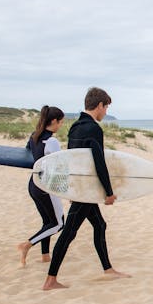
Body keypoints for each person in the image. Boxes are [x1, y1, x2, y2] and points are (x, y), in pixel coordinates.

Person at [42, 87, 131, 290]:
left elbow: (71, 160)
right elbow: (99, 162)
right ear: (99, 105)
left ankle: (108, 270)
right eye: (106, 107)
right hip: (86, 191)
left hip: (80, 188)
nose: (106, 112)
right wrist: (108, 192)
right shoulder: (93, 129)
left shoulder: (75, 127)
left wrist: (71, 188)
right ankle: (50, 279)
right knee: (69, 232)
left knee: (100, 225)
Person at [17, 106, 66, 266]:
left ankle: (45, 255)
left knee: (48, 221)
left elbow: (27, 151)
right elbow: (60, 168)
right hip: (46, 187)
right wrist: (68, 191)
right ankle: (27, 245)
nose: (61, 125)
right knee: (59, 223)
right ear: (53, 121)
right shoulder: (51, 141)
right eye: (60, 122)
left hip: (33, 185)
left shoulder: (34, 136)